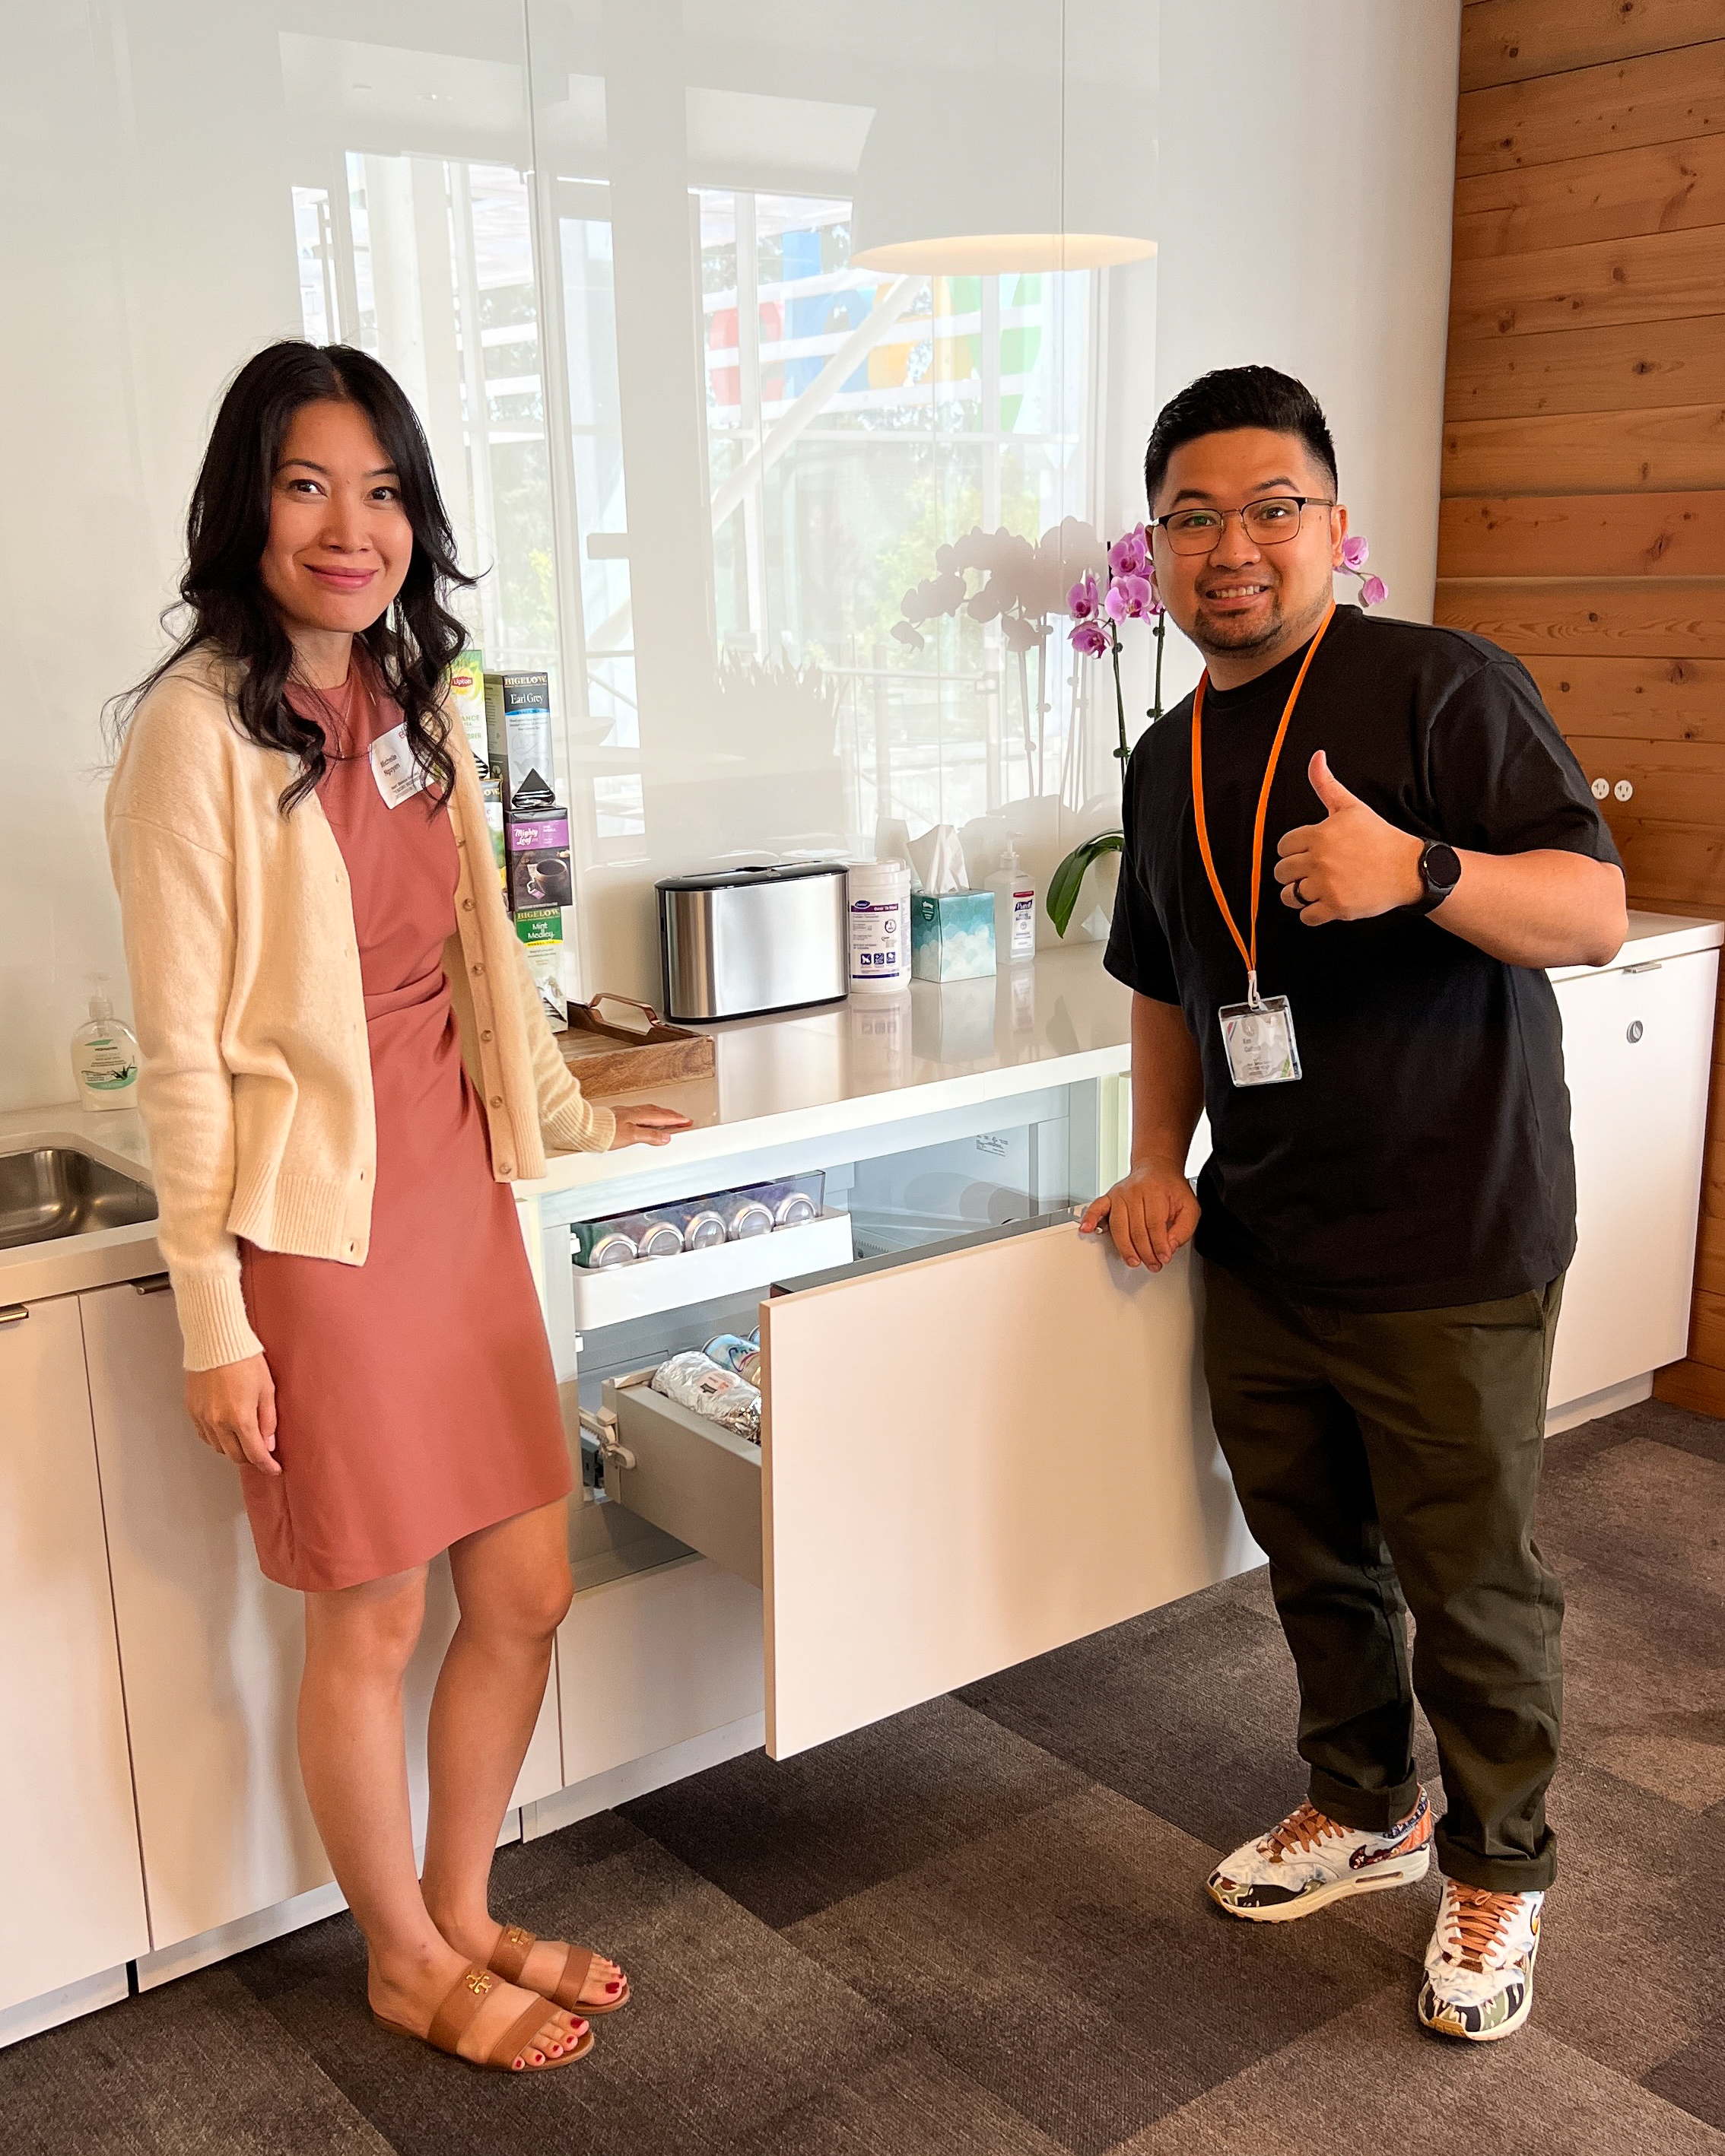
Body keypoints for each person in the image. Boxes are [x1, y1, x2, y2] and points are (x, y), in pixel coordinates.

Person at [106, 341, 693, 2075]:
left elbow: (480, 950)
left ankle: (460, 1906)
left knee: (526, 1587)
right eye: (307, 485)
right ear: (246, 507)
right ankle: (401, 1960)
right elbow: (182, 1058)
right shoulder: (194, 732)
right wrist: (213, 1319)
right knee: (366, 1614)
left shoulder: (421, 701)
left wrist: (572, 1115)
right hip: (320, 1230)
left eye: (380, 491)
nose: (348, 527)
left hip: (455, 1193)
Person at [1082, 365, 1626, 2044]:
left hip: (1453, 1231)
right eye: (1191, 517)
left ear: (1334, 524)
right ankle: (1368, 1801)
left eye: (1271, 509)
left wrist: (1422, 872)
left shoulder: (1439, 685)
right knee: (1315, 1554)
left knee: (1472, 1581)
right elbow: (1166, 980)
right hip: (1267, 1233)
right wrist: (1158, 1156)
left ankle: (1501, 1862)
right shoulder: (1166, 755)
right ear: (1155, 547)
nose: (1231, 547)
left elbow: (1594, 909)